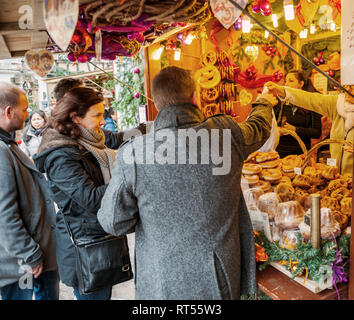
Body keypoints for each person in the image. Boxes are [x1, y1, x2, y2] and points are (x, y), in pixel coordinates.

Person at [97, 66, 274, 300]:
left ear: (157, 104)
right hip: (219, 275)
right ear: (195, 97)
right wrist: (263, 102)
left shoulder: (134, 153)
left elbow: (113, 222)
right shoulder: (225, 135)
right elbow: (259, 128)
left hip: (160, 278)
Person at [33, 87, 121, 300]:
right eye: (97, 115)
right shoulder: (60, 155)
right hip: (84, 251)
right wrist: (125, 178)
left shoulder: (86, 142)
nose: (102, 121)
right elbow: (90, 199)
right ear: (75, 117)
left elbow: (117, 139)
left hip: (96, 242)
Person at [0, 82, 58, 300]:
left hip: (31, 257)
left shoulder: (8, 144)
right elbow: (4, 215)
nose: (27, 114)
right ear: (8, 111)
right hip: (22, 263)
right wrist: (30, 254)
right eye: (24, 109)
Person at [265, 81, 354, 174]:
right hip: (337, 174)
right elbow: (310, 99)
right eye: (346, 86)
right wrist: (282, 90)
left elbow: (316, 132)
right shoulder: (338, 104)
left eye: (352, 87)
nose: (347, 90)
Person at [52, 78, 146, 148]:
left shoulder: (87, 133)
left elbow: (115, 139)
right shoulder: (63, 147)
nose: (103, 122)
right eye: (83, 94)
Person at [272, 70, 322, 158]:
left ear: (301, 84)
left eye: (291, 81)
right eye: (285, 81)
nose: (286, 84)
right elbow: (270, 123)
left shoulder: (311, 103)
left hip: (300, 153)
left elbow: (317, 133)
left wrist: (295, 129)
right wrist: (277, 129)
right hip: (279, 152)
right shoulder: (281, 101)